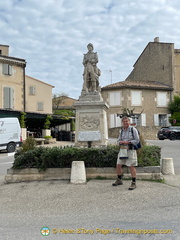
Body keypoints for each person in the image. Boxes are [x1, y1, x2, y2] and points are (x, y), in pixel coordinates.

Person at [112, 116, 139, 190]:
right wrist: (120, 142)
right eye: (124, 121)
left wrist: (128, 142)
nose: (125, 123)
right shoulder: (121, 131)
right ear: (122, 122)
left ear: (129, 122)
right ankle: (119, 180)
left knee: (131, 166)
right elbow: (118, 140)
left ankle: (133, 183)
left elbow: (137, 140)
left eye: (126, 121)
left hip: (130, 149)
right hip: (123, 150)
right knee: (118, 165)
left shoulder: (133, 129)